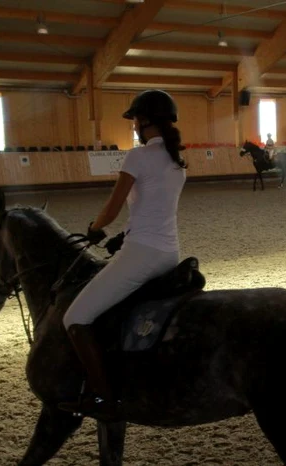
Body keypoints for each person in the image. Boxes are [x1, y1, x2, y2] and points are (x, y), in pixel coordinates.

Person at [58, 89, 187, 421]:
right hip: (169, 253)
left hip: (142, 255)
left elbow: (112, 207)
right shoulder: (176, 160)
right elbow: (153, 210)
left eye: (135, 121)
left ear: (143, 122)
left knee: (75, 318)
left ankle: (103, 397)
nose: (133, 127)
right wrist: (121, 237)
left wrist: (96, 228)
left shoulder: (137, 156)